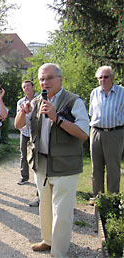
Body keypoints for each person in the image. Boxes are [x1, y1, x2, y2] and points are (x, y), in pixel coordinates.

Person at [14, 63, 89, 257]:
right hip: (42, 164)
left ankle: (59, 251)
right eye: (41, 79)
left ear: (60, 79)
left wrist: (58, 119)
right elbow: (17, 125)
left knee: (62, 213)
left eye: (49, 78)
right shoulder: (37, 101)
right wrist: (23, 112)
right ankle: (48, 241)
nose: (44, 82)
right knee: (45, 208)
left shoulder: (74, 101)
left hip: (65, 166)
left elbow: (83, 134)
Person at [88, 66, 124, 206]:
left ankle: (112, 198)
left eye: (106, 77)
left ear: (112, 77)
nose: (102, 80)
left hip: (115, 133)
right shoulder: (94, 93)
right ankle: (97, 197)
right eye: (100, 77)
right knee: (96, 167)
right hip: (96, 132)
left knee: (113, 168)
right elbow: (92, 112)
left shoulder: (122, 92)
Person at [16, 80, 36, 185]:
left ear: (33, 87)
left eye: (28, 86)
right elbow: (18, 118)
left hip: (36, 132)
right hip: (24, 131)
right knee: (23, 155)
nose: (26, 88)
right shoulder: (20, 102)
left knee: (37, 155)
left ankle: (39, 177)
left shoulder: (39, 100)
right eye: (24, 87)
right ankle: (24, 176)